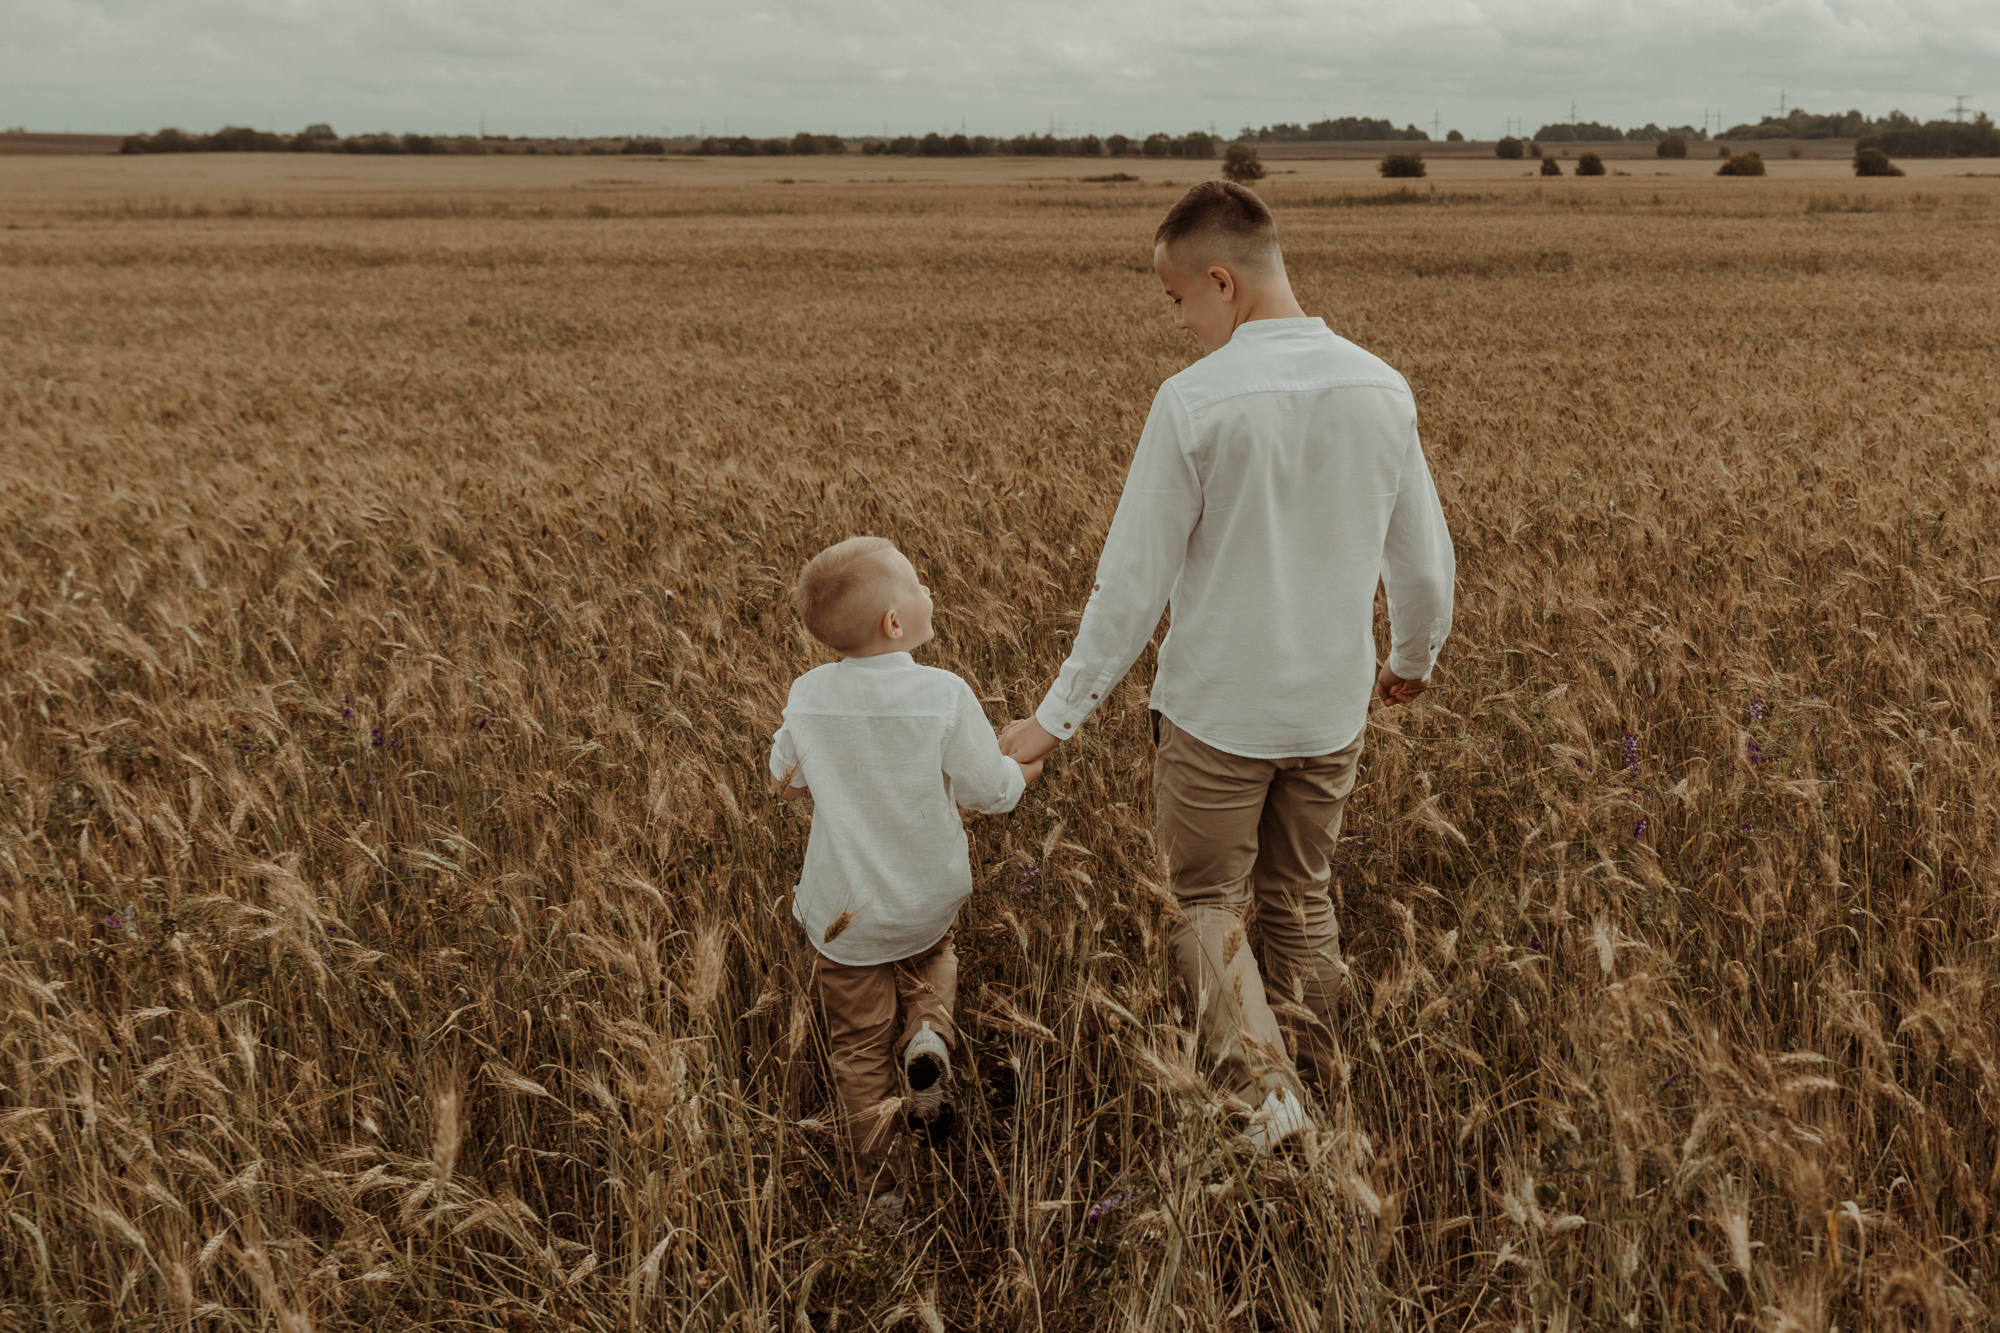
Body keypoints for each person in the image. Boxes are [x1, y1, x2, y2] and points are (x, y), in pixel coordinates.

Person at [999, 180, 1455, 1148]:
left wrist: (1051, 719)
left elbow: (1129, 588)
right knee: (1301, 895)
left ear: (1222, 282)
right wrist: (1411, 657)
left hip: (1215, 717)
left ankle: (1272, 1107)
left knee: (1207, 908)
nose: (1177, 322)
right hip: (1331, 713)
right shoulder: (1381, 387)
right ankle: (1323, 1075)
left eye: (1177, 301)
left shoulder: (1194, 403)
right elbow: (1421, 563)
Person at [771, 535, 1043, 1224]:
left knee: (859, 1051)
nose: (929, 592)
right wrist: (1024, 768)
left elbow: (784, 780)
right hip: (926, 902)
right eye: (919, 584)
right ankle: (927, 1035)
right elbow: (990, 791)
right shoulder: (944, 693)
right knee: (932, 960)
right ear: (895, 623)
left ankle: (883, 1192)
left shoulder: (808, 694)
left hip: (845, 919)